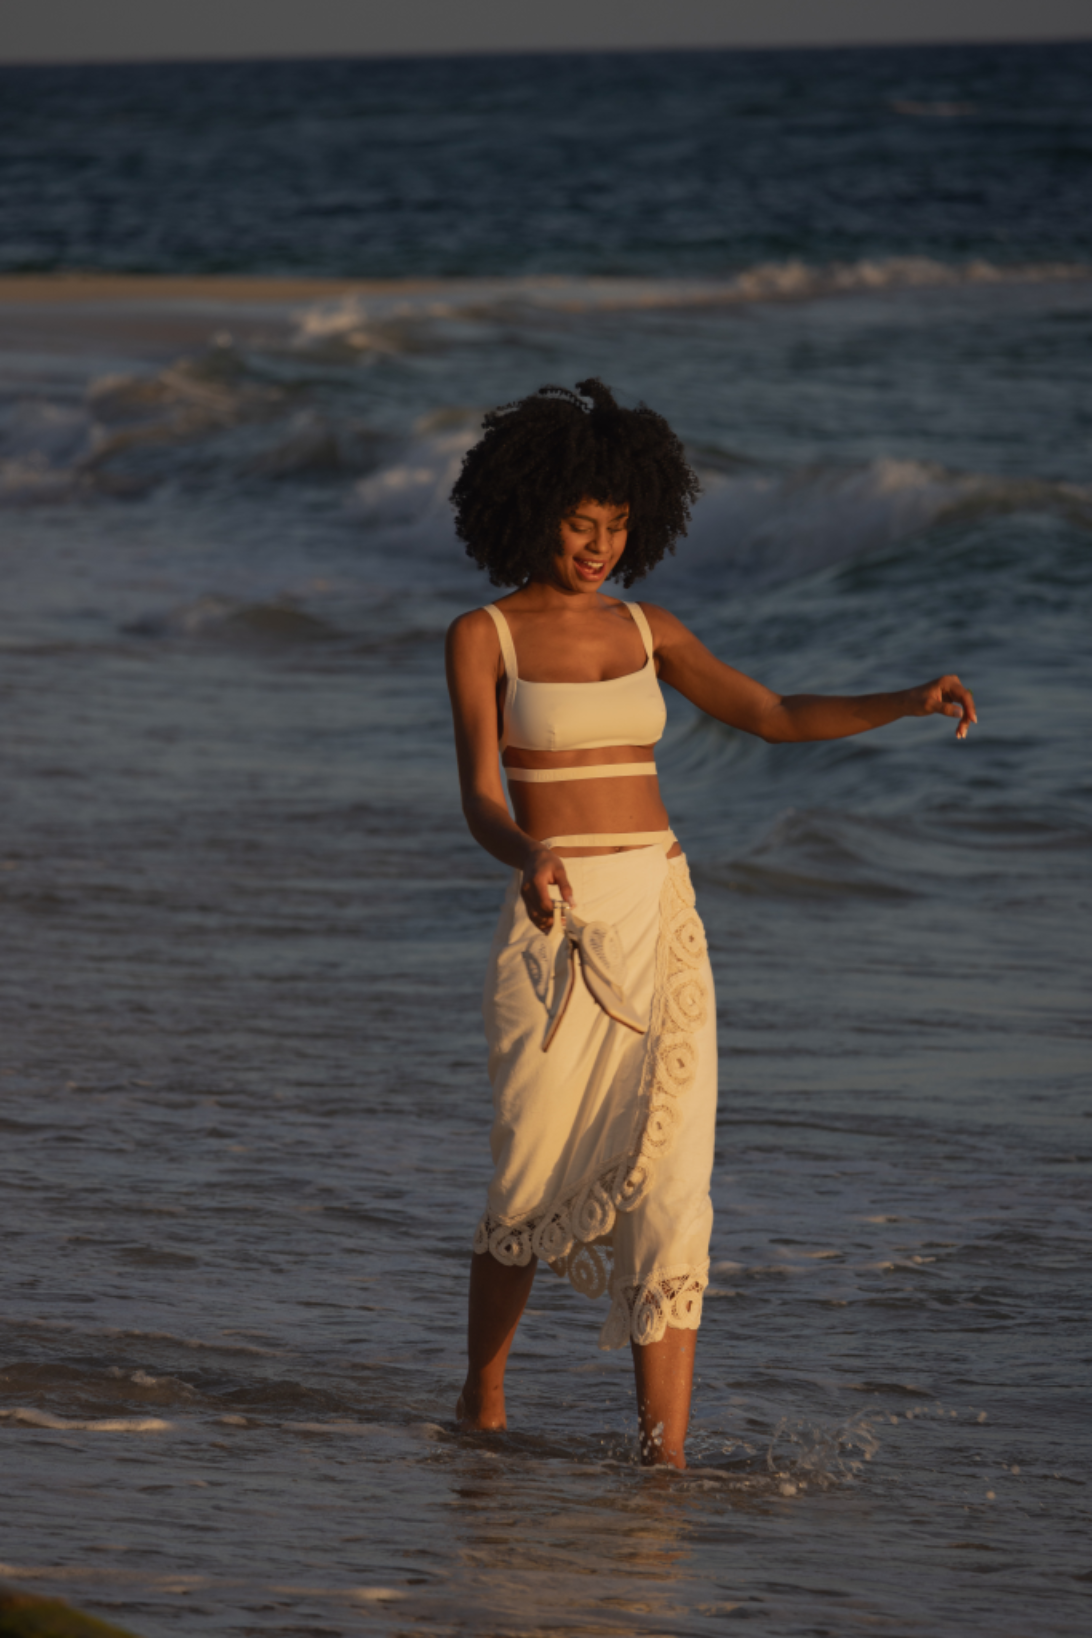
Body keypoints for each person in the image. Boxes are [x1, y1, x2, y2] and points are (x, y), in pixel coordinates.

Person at [444, 379, 976, 1469]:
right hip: (558, 923)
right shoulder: (483, 636)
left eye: (618, 526)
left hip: (659, 911)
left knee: (674, 1186)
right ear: (530, 511)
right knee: (530, 1174)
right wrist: (530, 856)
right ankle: (482, 1397)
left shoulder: (652, 629)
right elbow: (482, 801)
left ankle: (664, 1460)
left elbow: (773, 716)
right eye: (580, 525)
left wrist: (907, 698)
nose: (599, 546)